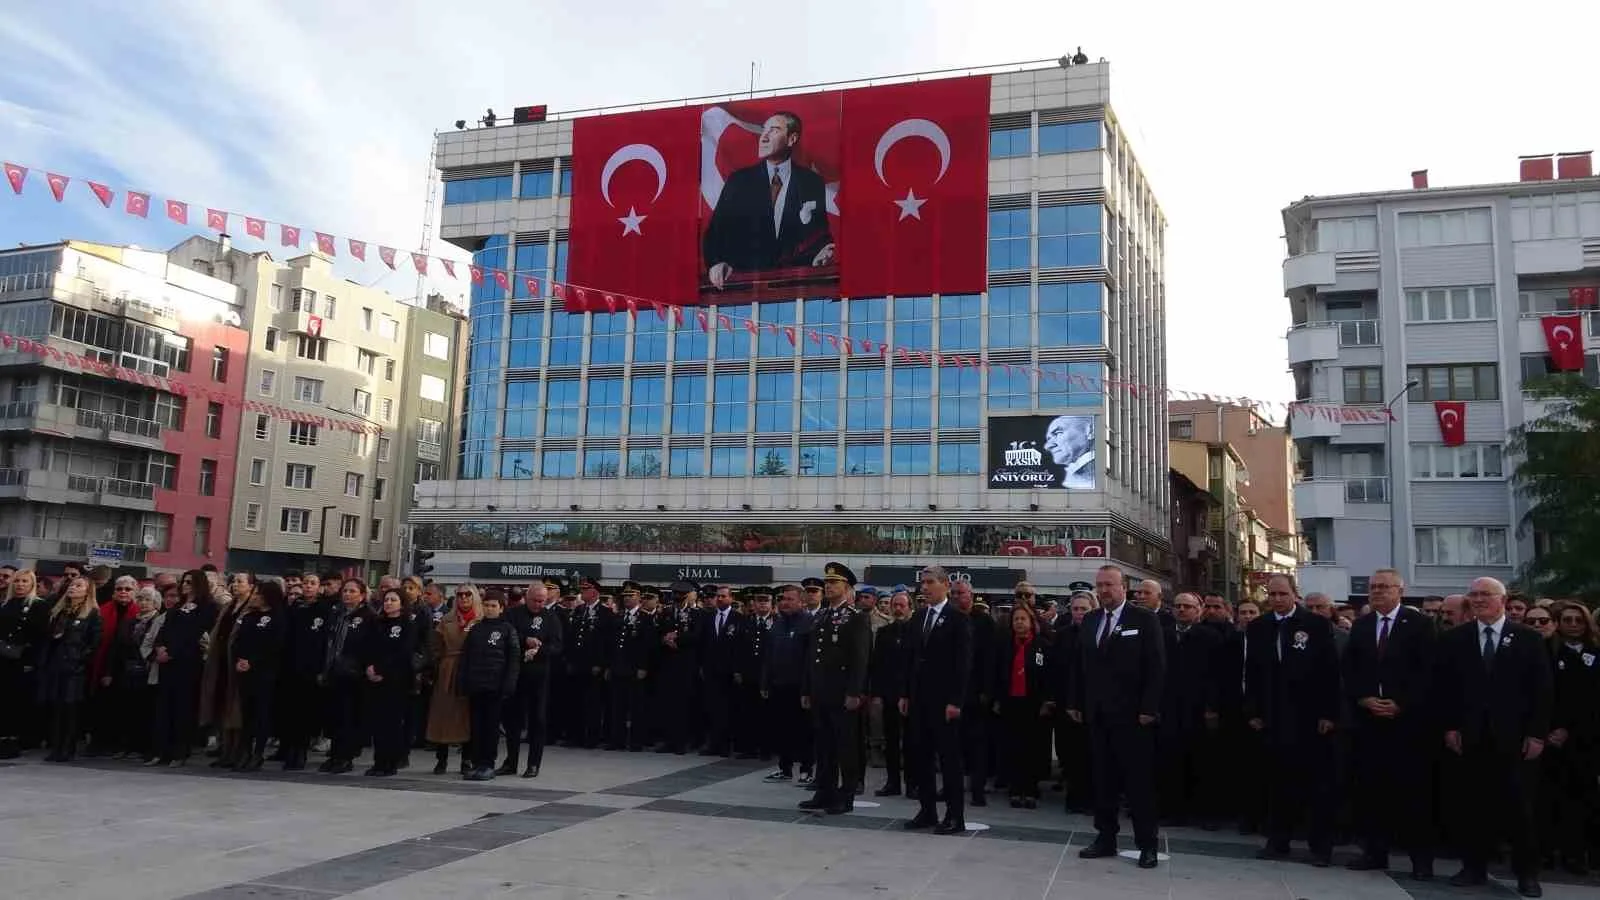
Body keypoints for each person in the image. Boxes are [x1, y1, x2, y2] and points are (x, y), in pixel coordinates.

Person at [1436, 577, 1552, 898]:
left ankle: (1527, 873)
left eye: (1484, 595)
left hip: (1514, 739)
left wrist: (1537, 734)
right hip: (1470, 737)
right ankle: (1473, 867)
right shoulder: (1456, 639)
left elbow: (1542, 691)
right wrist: (1450, 727)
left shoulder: (1527, 638)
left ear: (1502, 600)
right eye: (1473, 595)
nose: (1477, 600)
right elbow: (1446, 690)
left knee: (1520, 809)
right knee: (1472, 806)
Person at [1067, 564, 1165, 869]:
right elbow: (1079, 665)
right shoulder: (1091, 620)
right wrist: (1074, 700)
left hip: (1133, 716)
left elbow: (1157, 667)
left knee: (1138, 783)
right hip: (1098, 714)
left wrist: (1149, 708)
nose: (1104, 590)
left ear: (1124, 588)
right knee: (1103, 781)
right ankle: (1105, 837)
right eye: (1100, 585)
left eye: (1109, 585)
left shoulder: (1144, 619)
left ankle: (1146, 844)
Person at [1342, 569, 1437, 879]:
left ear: (1400, 590)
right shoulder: (1362, 626)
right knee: (1372, 791)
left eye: (1384, 587)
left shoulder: (1420, 625)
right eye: (1373, 587)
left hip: (1407, 725)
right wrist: (1364, 699)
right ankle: (1375, 852)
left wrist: (1402, 703)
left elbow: (1428, 673)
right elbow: (1350, 671)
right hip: (1370, 722)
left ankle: (1420, 861)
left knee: (1413, 795)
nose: (1377, 592)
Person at [1246, 573, 1341, 867]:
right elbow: (1252, 673)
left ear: (1294, 594)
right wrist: (1254, 712)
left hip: (1309, 718)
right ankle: (1278, 842)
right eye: (1272, 594)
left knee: (1316, 786)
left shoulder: (1315, 625)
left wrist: (1329, 713)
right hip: (1273, 717)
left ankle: (1320, 847)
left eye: (1282, 594)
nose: (1276, 599)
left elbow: (1330, 672)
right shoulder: (1259, 627)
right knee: (1277, 784)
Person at [702, 110, 835, 290]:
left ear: (791, 139)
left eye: (773, 130)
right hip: (743, 286)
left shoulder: (811, 182)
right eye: (764, 130)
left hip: (793, 287)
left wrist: (822, 251)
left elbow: (818, 234)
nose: (764, 136)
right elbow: (715, 233)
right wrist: (716, 263)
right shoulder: (740, 181)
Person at [901, 565, 974, 835]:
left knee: (949, 761)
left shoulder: (958, 618)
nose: (925, 587)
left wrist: (955, 701)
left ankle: (955, 816)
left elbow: (963, 664)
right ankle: (927, 810)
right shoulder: (918, 617)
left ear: (945, 584)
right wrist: (905, 694)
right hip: (919, 700)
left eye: (930, 582)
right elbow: (909, 660)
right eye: (923, 583)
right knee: (921, 757)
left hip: (945, 702)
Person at [799, 562, 870, 816]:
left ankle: (846, 794)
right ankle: (825, 791)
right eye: (827, 583)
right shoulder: (821, 615)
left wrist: (855, 692)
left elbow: (860, 659)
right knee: (824, 745)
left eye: (834, 583)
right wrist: (807, 689)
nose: (828, 586)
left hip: (842, 692)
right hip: (821, 691)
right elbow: (811, 657)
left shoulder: (856, 617)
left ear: (847, 587)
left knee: (846, 746)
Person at [1157, 592, 1223, 829]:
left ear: (1199, 609)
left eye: (1187, 606)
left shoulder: (1211, 637)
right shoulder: (1163, 635)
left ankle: (1205, 813)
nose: (1182, 610)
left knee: (1202, 762)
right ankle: (1173, 811)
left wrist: (1212, 707)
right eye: (1178, 606)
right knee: (1170, 760)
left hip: (1199, 709)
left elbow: (1218, 677)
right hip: (1169, 707)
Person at [1544, 600, 1598, 875]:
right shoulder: (1548, 652)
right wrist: (1554, 729)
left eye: (1579, 620)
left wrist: (1573, 728)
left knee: (1582, 799)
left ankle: (1575, 854)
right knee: (1551, 797)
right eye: (1567, 620)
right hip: (1552, 737)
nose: (1573, 625)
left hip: (1586, 740)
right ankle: (1547, 852)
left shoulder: (1596, 653)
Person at [147, 571, 217, 767]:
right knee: (163, 708)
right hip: (166, 663)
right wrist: (160, 647)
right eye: (183, 582)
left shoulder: (208, 607)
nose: (184, 585)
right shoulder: (178, 606)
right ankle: (160, 751)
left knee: (183, 709)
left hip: (188, 663)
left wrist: (173, 652)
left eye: (189, 582)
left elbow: (196, 633)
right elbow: (165, 628)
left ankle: (180, 752)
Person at [500, 581, 564, 777]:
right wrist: (524, 640)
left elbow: (557, 646)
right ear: (527, 598)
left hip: (539, 675)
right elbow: (505, 635)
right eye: (535, 600)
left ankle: (534, 764)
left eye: (542, 601)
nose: (539, 604)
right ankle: (511, 762)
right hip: (516, 675)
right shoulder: (513, 614)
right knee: (513, 721)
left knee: (538, 720)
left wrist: (540, 649)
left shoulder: (551, 617)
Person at [993, 604, 1053, 808]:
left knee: (1033, 747)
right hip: (1011, 702)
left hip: (1034, 703)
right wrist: (998, 699)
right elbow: (998, 673)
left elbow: (1049, 676)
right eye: (1016, 619)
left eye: (1023, 619)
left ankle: (1031, 788)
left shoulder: (1042, 645)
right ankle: (1015, 788)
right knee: (1013, 746)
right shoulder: (1004, 645)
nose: (1019, 622)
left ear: (1031, 622)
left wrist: (1047, 700)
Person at [38, 576, 102, 761]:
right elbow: (49, 638)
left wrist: (80, 660)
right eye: (72, 585)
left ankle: (68, 747)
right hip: (56, 665)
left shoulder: (92, 614)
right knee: (57, 707)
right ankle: (56, 747)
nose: (73, 588)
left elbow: (94, 642)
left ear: (87, 591)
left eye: (78, 585)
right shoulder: (59, 612)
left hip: (75, 668)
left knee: (70, 708)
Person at [459, 589, 519, 781]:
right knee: (476, 727)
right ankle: (476, 762)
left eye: (494, 606)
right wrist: (463, 680)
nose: (489, 609)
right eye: (486, 605)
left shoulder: (507, 630)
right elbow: (466, 657)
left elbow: (513, 660)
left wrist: (508, 684)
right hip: (476, 685)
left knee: (491, 727)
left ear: (501, 608)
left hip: (496, 686)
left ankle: (488, 764)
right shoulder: (476, 629)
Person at [320, 579, 376, 774]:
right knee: (334, 716)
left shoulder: (368, 616)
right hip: (334, 670)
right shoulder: (336, 614)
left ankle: (346, 756)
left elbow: (370, 646)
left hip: (354, 675)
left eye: (353, 591)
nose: (347, 594)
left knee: (349, 717)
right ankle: (335, 754)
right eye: (345, 591)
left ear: (362, 595)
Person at [230, 579, 287, 773]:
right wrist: (240, 659)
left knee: (262, 714)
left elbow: (275, 647)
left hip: (265, 673)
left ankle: (258, 753)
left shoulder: (278, 618)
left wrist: (253, 662)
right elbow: (238, 641)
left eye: (257, 594)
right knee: (246, 714)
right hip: (244, 673)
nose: (253, 597)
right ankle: (244, 750)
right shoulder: (248, 617)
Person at [279, 574, 334, 771]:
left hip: (312, 668)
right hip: (292, 666)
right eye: (306, 584)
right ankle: (289, 749)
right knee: (290, 711)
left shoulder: (325, 609)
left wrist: (322, 669)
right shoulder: (296, 607)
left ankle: (301, 750)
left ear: (319, 588)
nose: (308, 587)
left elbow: (325, 642)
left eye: (313, 584)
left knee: (306, 712)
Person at [361, 587, 417, 777]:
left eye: (393, 600)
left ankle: (390, 762)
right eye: (386, 600)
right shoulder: (377, 623)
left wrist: (382, 670)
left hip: (395, 679)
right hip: (374, 678)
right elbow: (368, 647)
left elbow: (403, 652)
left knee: (392, 723)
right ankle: (379, 761)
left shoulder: (407, 624)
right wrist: (370, 667)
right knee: (377, 722)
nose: (389, 603)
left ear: (402, 604)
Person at [951, 579, 995, 808]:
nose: (957, 597)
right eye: (954, 593)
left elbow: (990, 659)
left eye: (961, 593)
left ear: (971, 594)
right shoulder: (947, 619)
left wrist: (987, 691)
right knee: (952, 745)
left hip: (976, 692)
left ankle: (978, 789)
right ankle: (952, 787)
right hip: (952, 694)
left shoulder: (984, 622)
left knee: (978, 745)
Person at [427, 585, 480, 775]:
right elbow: (435, 645)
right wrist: (439, 664)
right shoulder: (446, 620)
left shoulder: (480, 620)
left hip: (471, 669)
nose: (464, 598)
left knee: (467, 717)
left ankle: (467, 759)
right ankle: (441, 759)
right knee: (443, 714)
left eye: (468, 594)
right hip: (448, 669)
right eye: (460, 595)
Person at [762, 584, 812, 783]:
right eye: (783, 599)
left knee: (804, 730)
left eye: (790, 599)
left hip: (800, 686)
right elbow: (768, 655)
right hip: (778, 684)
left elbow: (810, 660)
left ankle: (807, 769)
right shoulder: (777, 623)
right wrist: (765, 682)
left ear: (801, 601)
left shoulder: (809, 623)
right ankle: (785, 768)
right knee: (782, 728)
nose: (785, 603)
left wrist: (808, 688)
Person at [106, 586, 161, 761]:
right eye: (141, 599)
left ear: (155, 604)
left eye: (147, 600)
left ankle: (141, 746)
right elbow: (115, 647)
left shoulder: (158, 622)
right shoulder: (129, 622)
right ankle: (124, 745)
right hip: (126, 670)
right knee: (124, 709)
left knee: (143, 710)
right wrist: (109, 671)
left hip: (146, 670)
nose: (143, 603)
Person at [0, 568, 49, 759]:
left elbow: (40, 636)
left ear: (32, 585)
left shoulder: (38, 605)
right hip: (3, 656)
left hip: (23, 659)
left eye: (25, 582)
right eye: (17, 581)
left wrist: (32, 660)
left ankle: (14, 741)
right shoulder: (6, 604)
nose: (20, 585)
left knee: (17, 701)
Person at [869, 591, 912, 797]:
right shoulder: (885, 632)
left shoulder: (916, 630)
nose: (898, 609)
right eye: (895, 605)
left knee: (913, 741)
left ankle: (913, 784)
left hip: (911, 695)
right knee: (891, 741)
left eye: (902, 605)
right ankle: (893, 782)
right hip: (889, 694)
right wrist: (876, 693)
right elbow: (877, 664)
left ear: (909, 607)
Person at [604, 583, 656, 752]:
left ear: (639, 598)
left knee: (636, 708)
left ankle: (636, 741)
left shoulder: (645, 618)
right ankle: (617, 740)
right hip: (618, 667)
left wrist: (643, 667)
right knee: (617, 706)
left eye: (631, 595)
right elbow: (611, 645)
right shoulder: (617, 617)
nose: (627, 598)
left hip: (635, 669)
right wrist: (609, 666)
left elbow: (647, 646)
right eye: (625, 596)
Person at [698, 585, 743, 756]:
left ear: (731, 598)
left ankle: (726, 745)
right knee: (712, 708)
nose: (720, 599)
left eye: (723, 596)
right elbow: (703, 644)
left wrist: (738, 669)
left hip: (730, 672)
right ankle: (713, 744)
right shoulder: (708, 618)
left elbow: (740, 646)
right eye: (718, 596)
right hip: (711, 671)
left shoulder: (738, 618)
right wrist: (702, 665)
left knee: (728, 710)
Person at [1042, 415, 1095, 489]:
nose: (1047, 446)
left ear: (1091, 431)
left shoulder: (1091, 476)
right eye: (1049, 439)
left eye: (1058, 433)